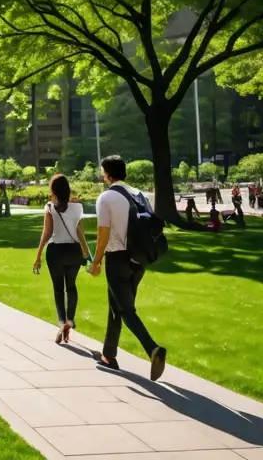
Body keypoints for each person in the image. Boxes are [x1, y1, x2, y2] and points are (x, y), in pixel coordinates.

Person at [90, 156, 167, 381]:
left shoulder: (106, 198)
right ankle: (108, 355)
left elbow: (103, 234)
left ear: (107, 174)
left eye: (103, 171)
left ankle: (153, 349)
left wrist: (96, 262)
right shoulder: (140, 194)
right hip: (138, 260)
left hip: (117, 260)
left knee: (126, 311)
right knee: (116, 306)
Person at [33, 174, 91, 345]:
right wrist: (86, 252)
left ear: (53, 190)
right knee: (71, 286)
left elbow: (47, 232)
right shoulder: (77, 207)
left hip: (56, 251)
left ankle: (61, 323)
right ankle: (70, 320)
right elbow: (80, 230)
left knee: (58, 289)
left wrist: (38, 255)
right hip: (74, 251)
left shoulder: (50, 207)